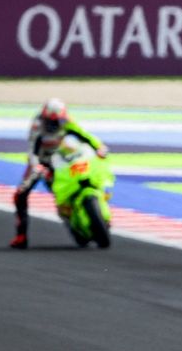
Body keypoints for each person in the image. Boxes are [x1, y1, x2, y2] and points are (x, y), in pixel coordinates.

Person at [10, 99, 108, 249]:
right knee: (20, 194)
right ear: (45, 117)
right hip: (41, 163)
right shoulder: (37, 125)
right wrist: (37, 166)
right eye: (52, 120)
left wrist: (99, 147)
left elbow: (83, 135)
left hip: (60, 160)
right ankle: (21, 236)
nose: (56, 123)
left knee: (75, 184)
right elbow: (32, 151)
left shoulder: (66, 121)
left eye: (59, 119)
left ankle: (91, 215)